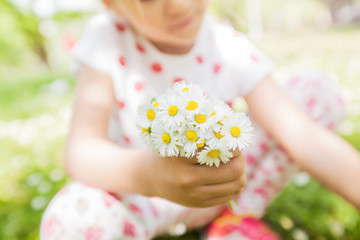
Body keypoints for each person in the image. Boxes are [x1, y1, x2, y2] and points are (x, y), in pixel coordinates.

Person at [40, 0, 360, 239]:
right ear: (113, 4)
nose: (179, 5)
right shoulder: (106, 40)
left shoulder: (227, 45)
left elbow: (302, 136)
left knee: (315, 91)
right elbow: (80, 151)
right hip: (137, 201)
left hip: (219, 191)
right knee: (71, 214)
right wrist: (151, 175)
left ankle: (235, 219)